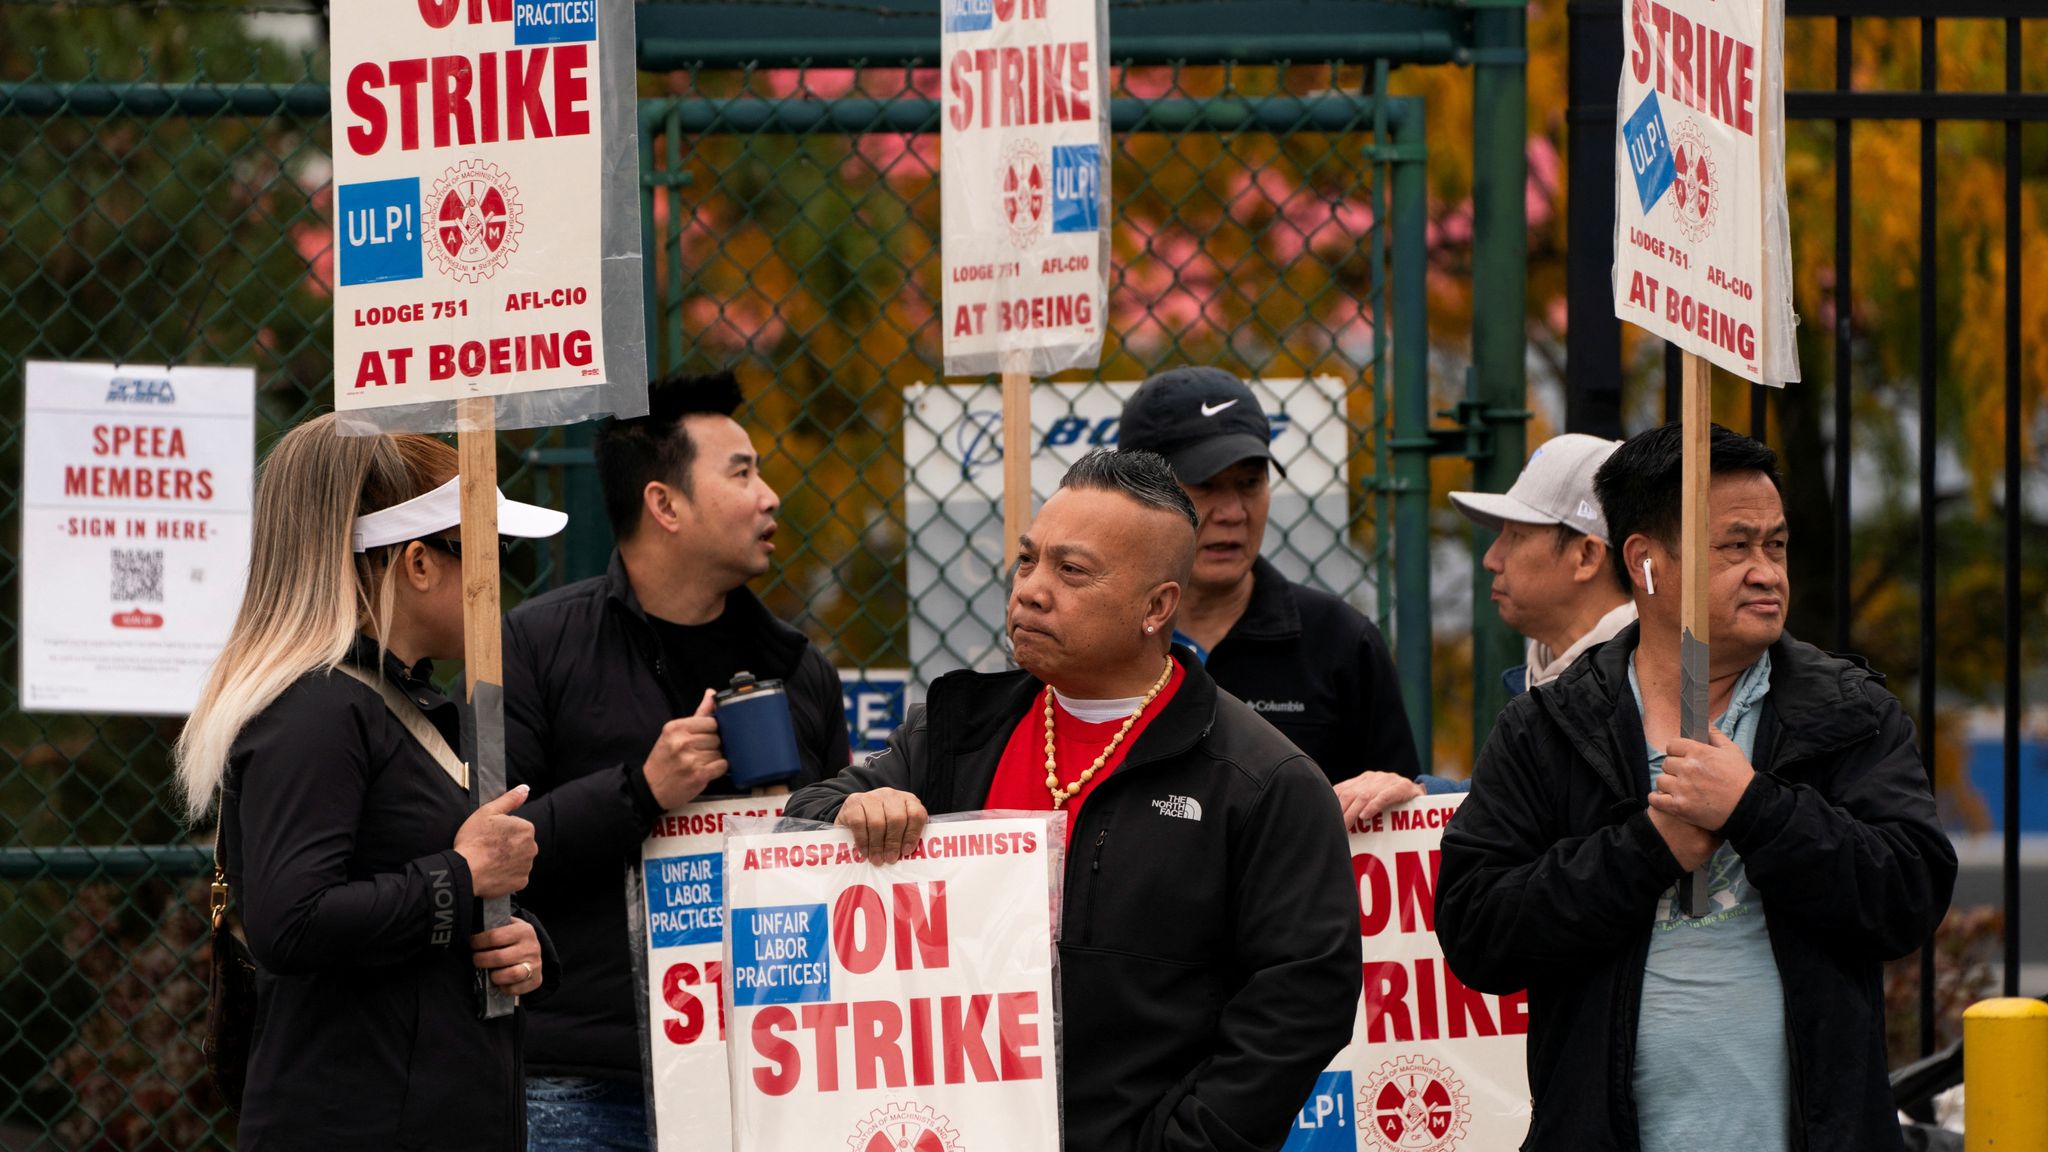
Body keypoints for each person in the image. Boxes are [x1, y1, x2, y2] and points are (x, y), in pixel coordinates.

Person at [787, 449, 1360, 1152]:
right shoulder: (955, 732)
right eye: (1028, 561)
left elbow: (1303, 1003)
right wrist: (850, 813)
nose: (1030, 589)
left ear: (1157, 607)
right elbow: (800, 822)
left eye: (1071, 571)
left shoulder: (1263, 780)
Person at [1435, 423, 1957, 1152]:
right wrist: (1647, 850)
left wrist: (1757, 810)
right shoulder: (1548, 728)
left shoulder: (1848, 713)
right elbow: (1478, 932)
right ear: (1646, 563)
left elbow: (1908, 897)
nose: (1766, 571)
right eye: (1735, 547)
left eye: (1774, 545)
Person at [175, 415, 566, 1150]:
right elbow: (291, 922)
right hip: (359, 1117)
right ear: (418, 563)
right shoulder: (317, 710)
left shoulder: (395, 701)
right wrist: (461, 874)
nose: (499, 583)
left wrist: (520, 939)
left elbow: (407, 899)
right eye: (489, 553)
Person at [503, 371, 849, 1149]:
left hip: (769, 1072)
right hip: (587, 1078)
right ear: (664, 504)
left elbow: (837, 879)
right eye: (742, 472)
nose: (771, 497)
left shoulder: (798, 669)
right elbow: (489, 854)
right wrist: (640, 790)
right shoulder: (537, 646)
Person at [1114, 367, 1421, 831]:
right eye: (1206, 485)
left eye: (1249, 483)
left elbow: (1403, 832)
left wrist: (1408, 797)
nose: (1234, 512)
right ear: (1138, 495)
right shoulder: (1099, 638)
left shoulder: (1340, 643)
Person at [1343, 433, 1638, 821]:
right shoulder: (1563, 676)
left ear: (1586, 555)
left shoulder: (1649, 690)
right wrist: (1427, 795)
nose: (1491, 558)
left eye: (1515, 535)